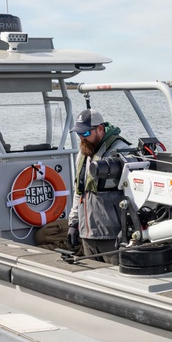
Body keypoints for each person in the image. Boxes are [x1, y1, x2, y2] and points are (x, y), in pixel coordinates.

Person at [66, 109, 132, 263]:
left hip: (112, 236)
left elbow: (133, 194)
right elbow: (79, 191)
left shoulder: (121, 151)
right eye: (79, 134)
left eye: (86, 133)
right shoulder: (82, 153)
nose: (82, 137)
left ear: (100, 129)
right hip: (87, 234)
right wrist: (73, 222)